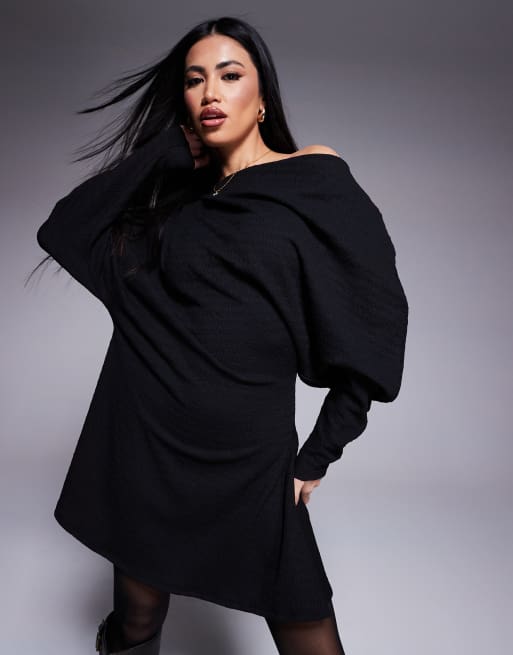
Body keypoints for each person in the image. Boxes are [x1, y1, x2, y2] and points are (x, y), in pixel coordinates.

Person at [31, 15, 409, 655]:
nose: (210, 92)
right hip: (149, 447)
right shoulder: (175, 207)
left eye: (229, 76)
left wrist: (321, 450)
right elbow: (64, 229)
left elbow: (377, 319)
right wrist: (163, 153)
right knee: (137, 624)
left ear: (261, 98)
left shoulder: (314, 177)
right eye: (194, 80)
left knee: (309, 632)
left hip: (251, 463)